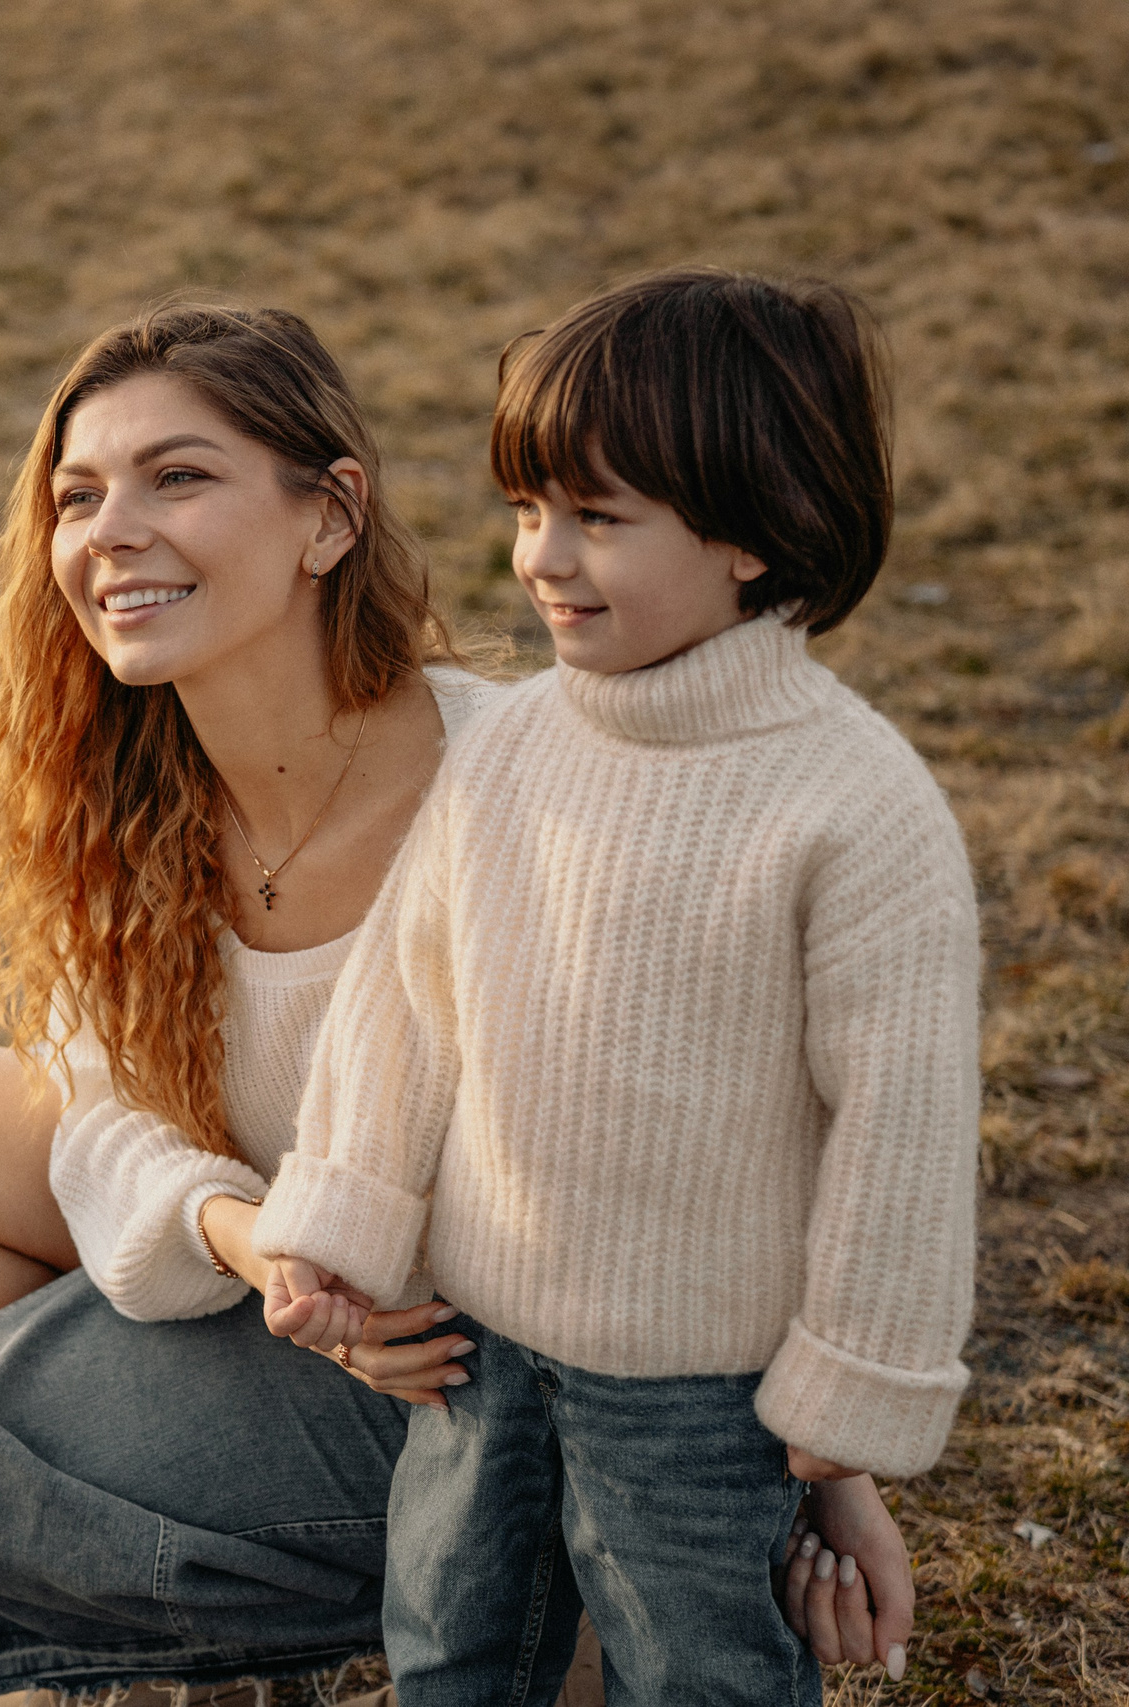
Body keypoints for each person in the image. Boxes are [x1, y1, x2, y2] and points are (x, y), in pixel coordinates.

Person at [0, 302, 915, 1707]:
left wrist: (828, 1480)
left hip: (508, 1373)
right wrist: (251, 1233)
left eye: (180, 478)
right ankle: (240, 1557)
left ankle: (538, 1599)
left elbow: (722, 1143)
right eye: (77, 496)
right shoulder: (114, 800)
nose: (108, 532)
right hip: (312, 1295)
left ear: (330, 518)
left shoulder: (524, 779)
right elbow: (98, 1109)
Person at [254, 268, 970, 1704]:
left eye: (599, 518)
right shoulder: (515, 744)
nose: (543, 558)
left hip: (700, 1394)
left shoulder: (852, 804)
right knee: (452, 1646)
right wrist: (339, 1212)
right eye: (530, 511)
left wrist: (857, 1381)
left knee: (701, 1668)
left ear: (756, 541)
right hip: (477, 1348)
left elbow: (903, 1120)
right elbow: (410, 995)